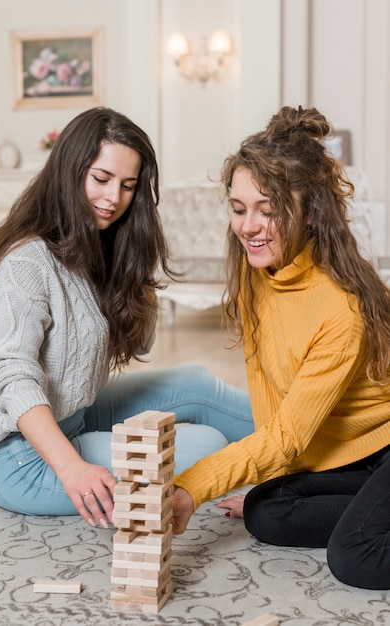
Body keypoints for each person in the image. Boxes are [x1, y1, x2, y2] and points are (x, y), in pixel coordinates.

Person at [0, 107, 254, 530]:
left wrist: (131, 266)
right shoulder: (26, 262)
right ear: (69, 172)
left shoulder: (93, 243)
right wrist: (74, 470)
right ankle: (285, 469)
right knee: (207, 446)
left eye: (127, 186)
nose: (113, 199)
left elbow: (141, 343)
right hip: (20, 460)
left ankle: (316, 437)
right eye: (100, 179)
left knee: (195, 382)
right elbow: (12, 375)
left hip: (74, 411)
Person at [171, 105, 390, 590]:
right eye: (238, 208)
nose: (249, 226)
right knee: (264, 510)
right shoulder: (258, 274)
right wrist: (261, 482)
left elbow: (287, 436)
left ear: (309, 211)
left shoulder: (341, 307)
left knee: (354, 555)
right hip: (354, 460)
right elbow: (273, 401)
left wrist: (193, 486)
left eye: (268, 211)